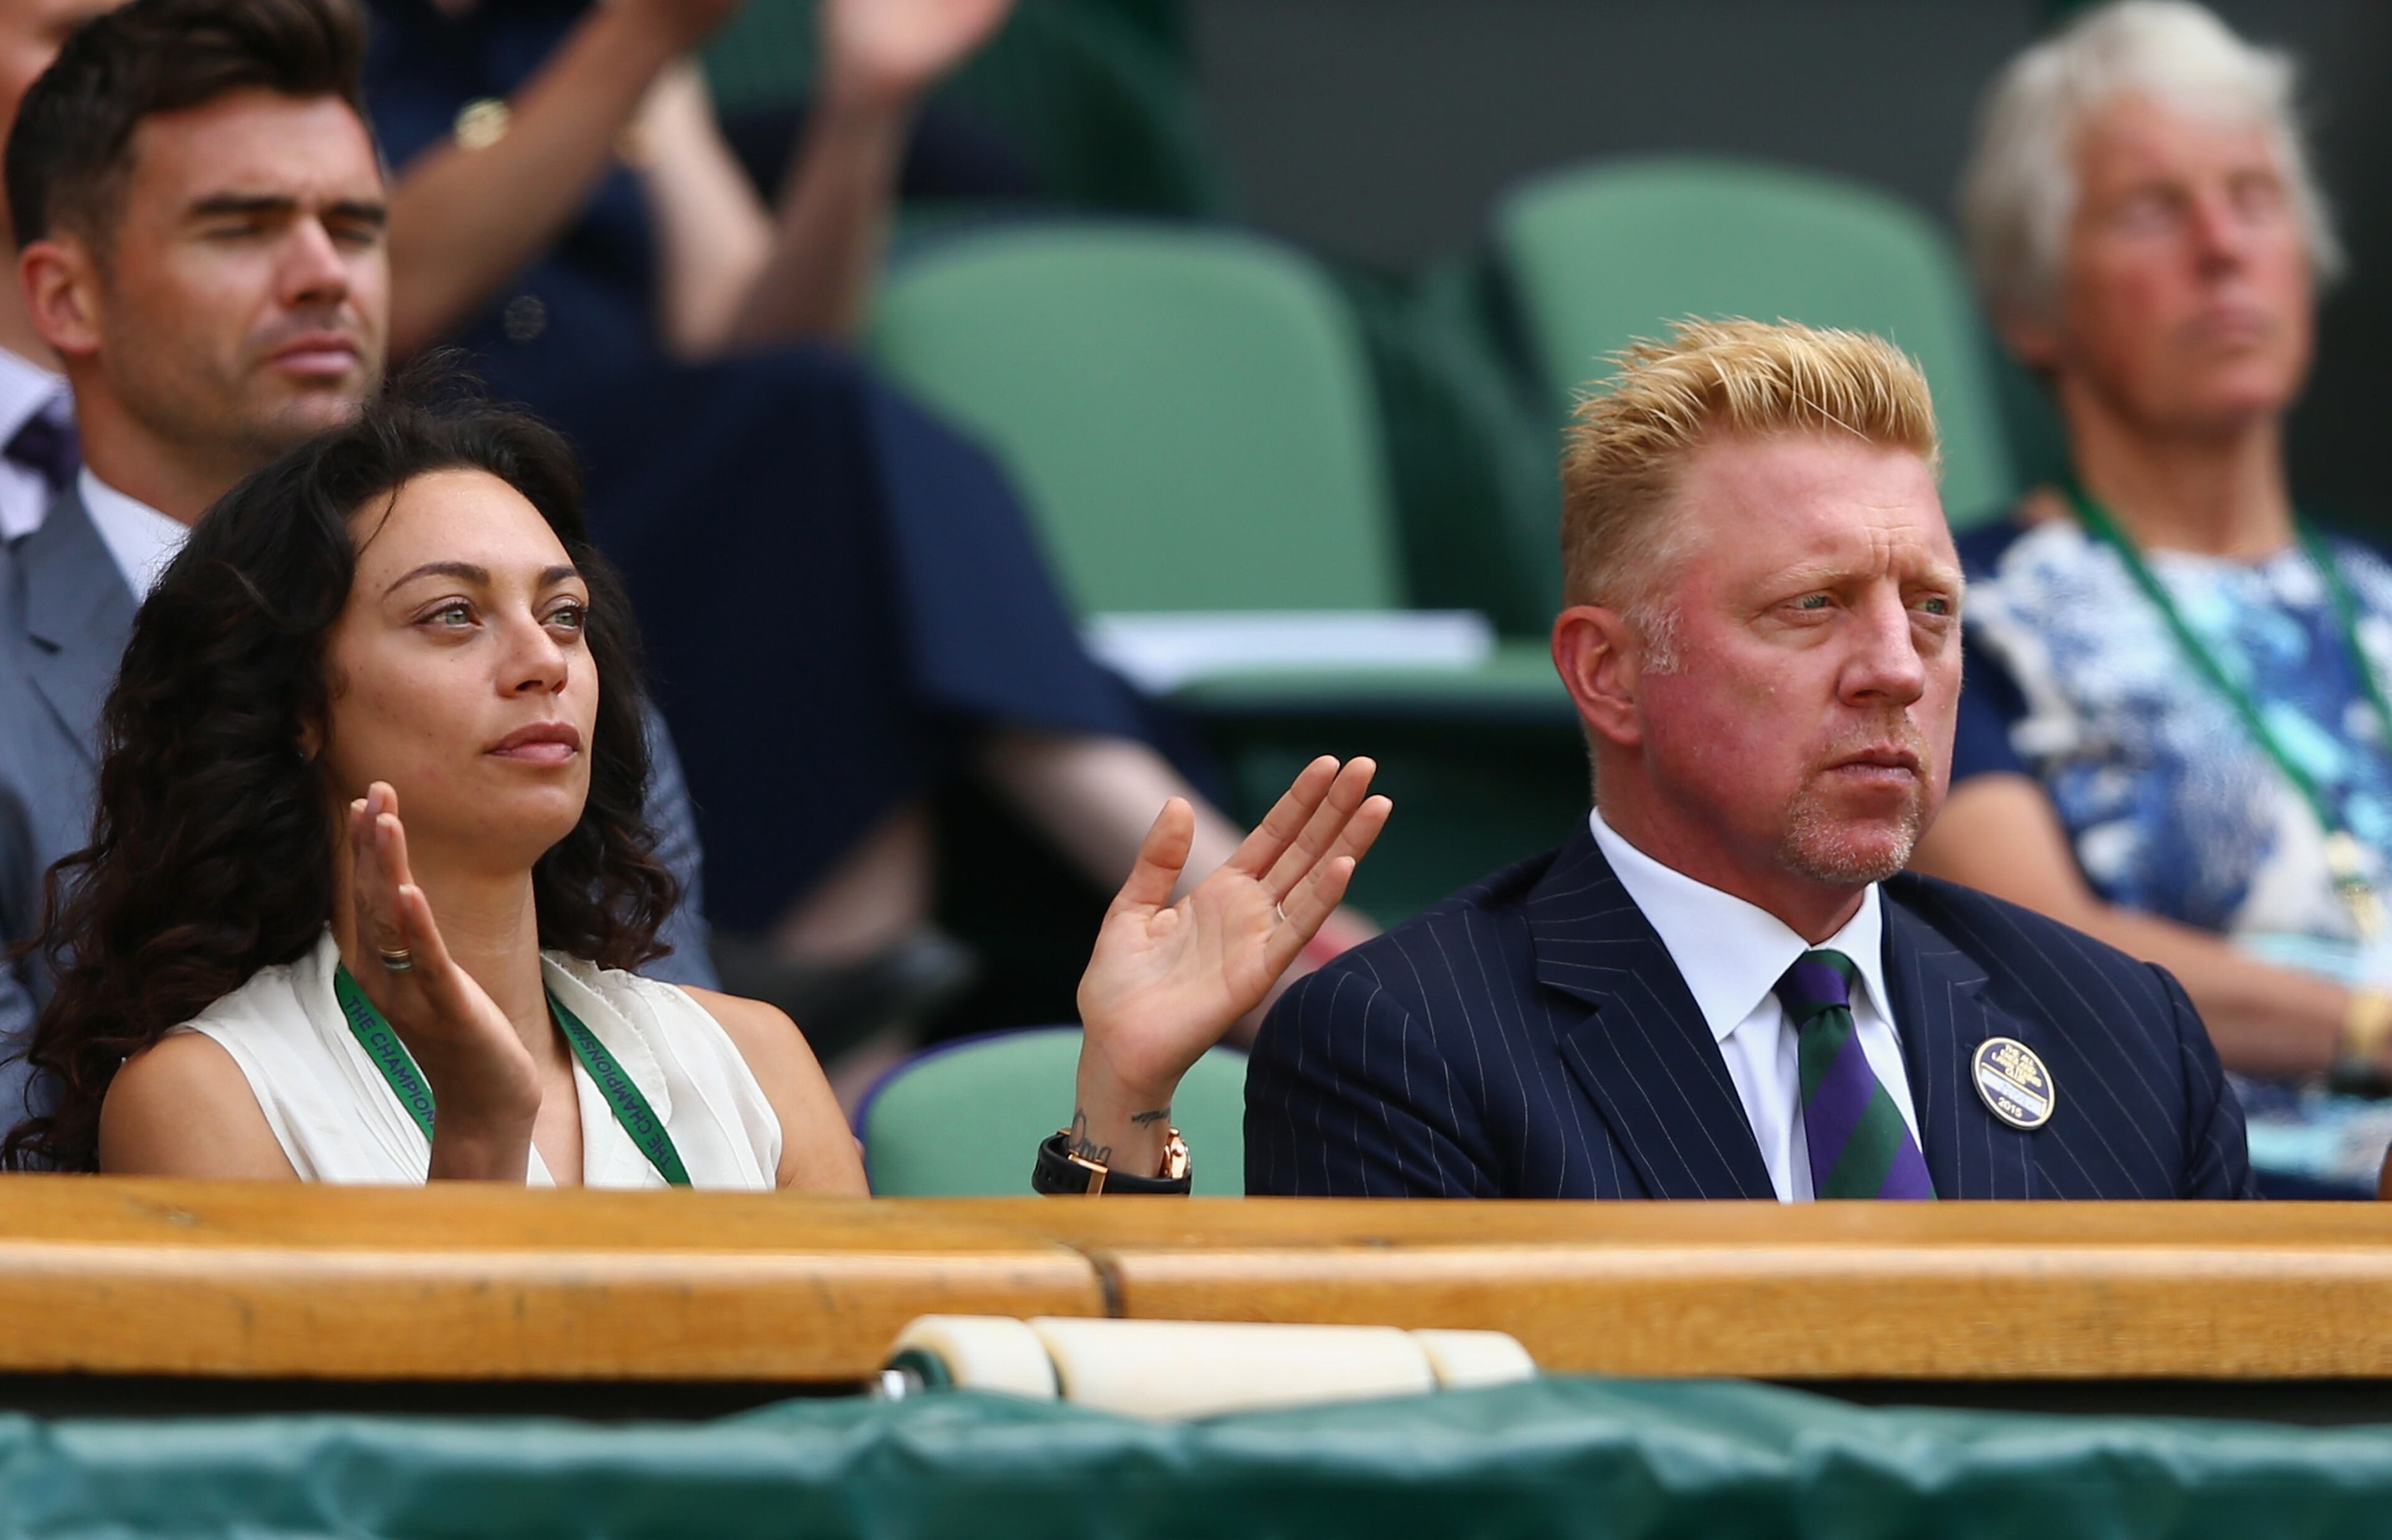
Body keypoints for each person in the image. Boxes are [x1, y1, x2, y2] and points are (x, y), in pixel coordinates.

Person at [6, 379, 1385, 1183]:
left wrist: (1122, 1101)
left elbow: (911, 1442)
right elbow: (372, 1481)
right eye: (450, 615)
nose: (542, 661)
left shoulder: (751, 1059)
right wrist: (482, 1147)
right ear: (301, 708)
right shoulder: (205, 1096)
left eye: (561, 614)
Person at [359, 0, 1369, 1046]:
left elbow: (759, 343)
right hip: (477, 540)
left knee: (834, 468)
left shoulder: (613, 41)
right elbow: (389, 297)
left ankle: (1245, 942)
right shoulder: (343, 42)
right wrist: (638, 40)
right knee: (850, 502)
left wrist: (862, 110)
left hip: (683, 540)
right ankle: (1270, 934)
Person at [1210, 318, 2252, 1201]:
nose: (1897, 668)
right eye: (1813, 604)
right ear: (1610, 672)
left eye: (1932, 608)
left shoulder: (2130, 1035)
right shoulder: (1406, 1044)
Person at [0, 0, 716, 1125]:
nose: (322, 275)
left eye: (356, 225)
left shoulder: (551, 659)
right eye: (240, 228)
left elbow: (685, 1115)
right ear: (66, 297)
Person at [1911, 1, 2392, 1193]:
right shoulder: (1952, 608)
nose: (2223, 247)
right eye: (2150, 210)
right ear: (2032, 306)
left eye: (2255, 198)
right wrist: (2369, 1031)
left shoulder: (2377, 597)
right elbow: (2035, 946)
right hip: (2207, 1218)